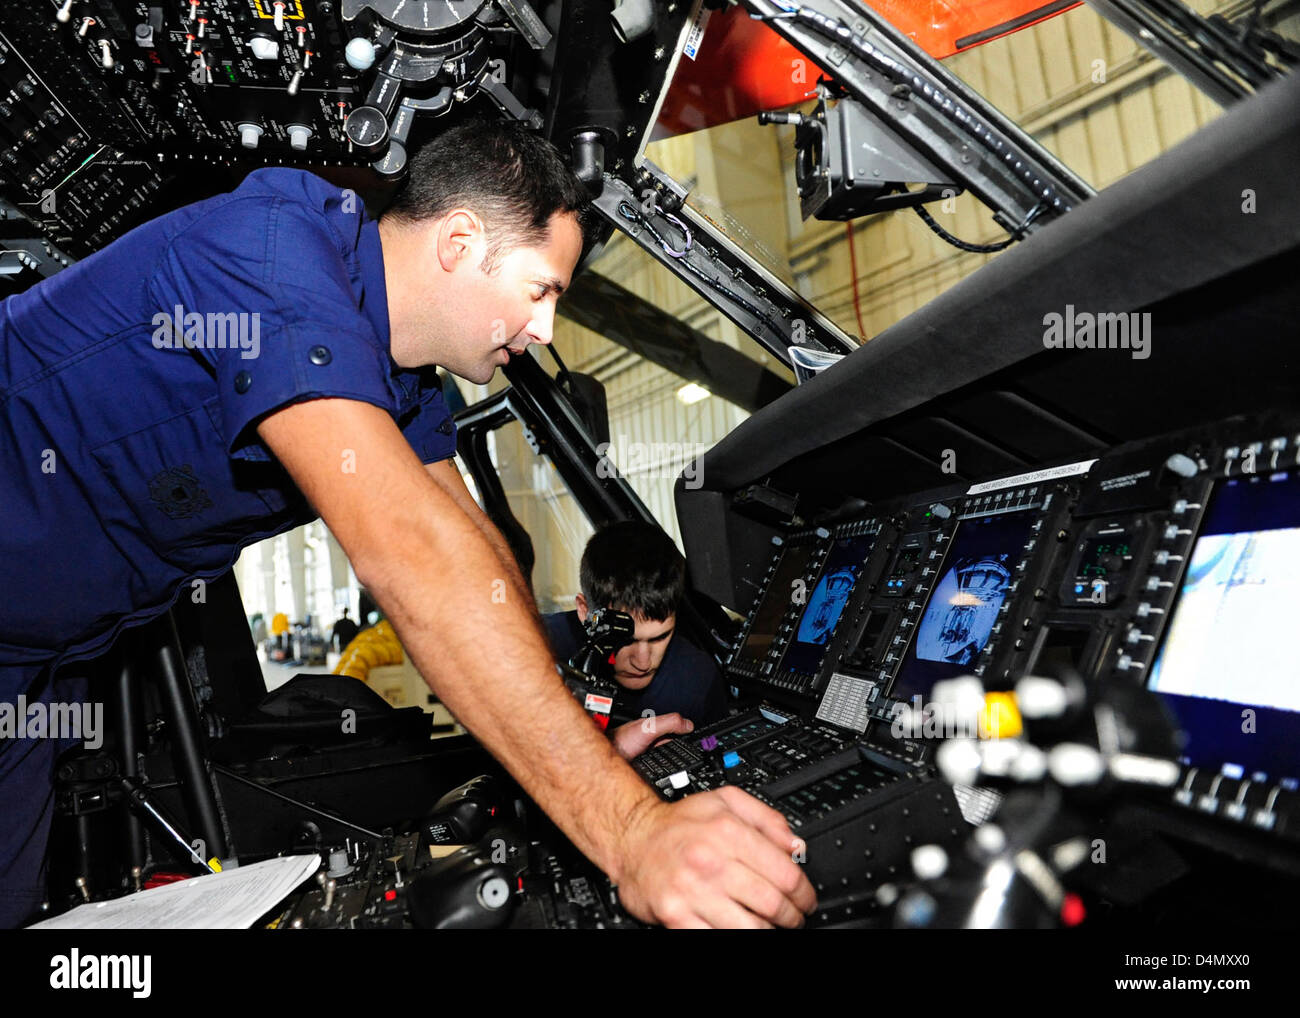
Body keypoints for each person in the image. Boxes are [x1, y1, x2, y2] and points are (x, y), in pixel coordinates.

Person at [0, 120, 814, 930]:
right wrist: (630, 832)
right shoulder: (272, 251)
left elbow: (473, 557)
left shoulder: (408, 380)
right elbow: (411, 556)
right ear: (459, 242)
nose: (544, 332)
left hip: (38, 665)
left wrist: (586, 757)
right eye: (541, 292)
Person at [544, 521, 729, 738]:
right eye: (626, 639)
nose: (642, 662)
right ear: (585, 612)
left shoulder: (698, 680)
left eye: (659, 638)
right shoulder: (536, 648)